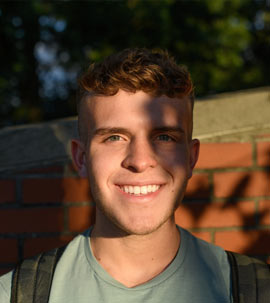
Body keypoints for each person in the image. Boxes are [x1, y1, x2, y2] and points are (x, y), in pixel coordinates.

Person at [0, 48, 232, 302]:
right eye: (114, 137)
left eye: (164, 137)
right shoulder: (16, 294)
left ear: (191, 157)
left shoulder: (251, 289)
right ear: (81, 158)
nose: (140, 161)